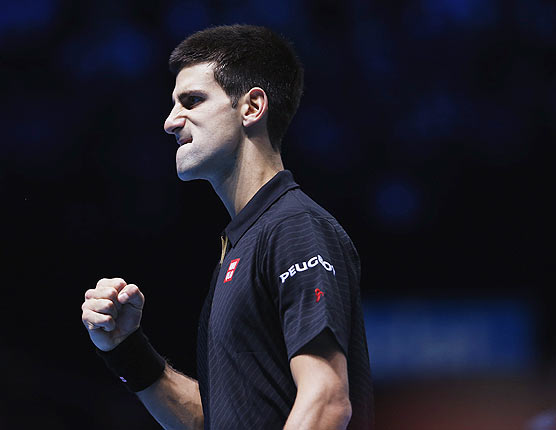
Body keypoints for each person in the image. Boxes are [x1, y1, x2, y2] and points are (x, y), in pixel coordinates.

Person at [81, 24, 374, 430]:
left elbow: (326, 401)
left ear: (252, 107)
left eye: (192, 101)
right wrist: (126, 348)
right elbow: (212, 421)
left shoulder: (294, 228)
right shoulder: (242, 245)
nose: (170, 121)